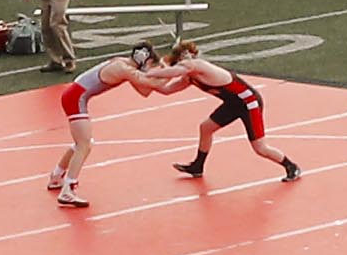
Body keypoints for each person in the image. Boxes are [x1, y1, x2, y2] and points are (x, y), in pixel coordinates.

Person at [160, 40, 304, 181]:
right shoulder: (189, 78)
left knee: (260, 148)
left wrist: (153, 72)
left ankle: (291, 166)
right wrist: (140, 77)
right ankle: (198, 166)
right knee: (206, 128)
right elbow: (166, 90)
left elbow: (172, 73)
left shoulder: (201, 67)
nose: (184, 63)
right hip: (233, 103)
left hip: (249, 103)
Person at [48, 42, 168, 209]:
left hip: (75, 96)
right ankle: (67, 189)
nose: (150, 68)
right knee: (84, 144)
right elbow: (151, 84)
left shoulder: (124, 66)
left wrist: (166, 69)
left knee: (83, 143)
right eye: (151, 65)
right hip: (75, 98)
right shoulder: (123, 69)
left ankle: (57, 176)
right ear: (144, 60)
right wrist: (171, 69)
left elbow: (145, 92)